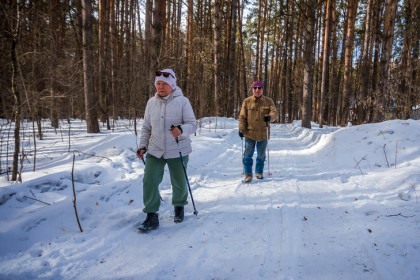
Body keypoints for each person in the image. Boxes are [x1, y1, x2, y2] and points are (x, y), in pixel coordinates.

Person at [136, 69, 197, 232]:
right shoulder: (151, 102)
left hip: (177, 148)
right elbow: (146, 127)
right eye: (158, 83)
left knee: (179, 181)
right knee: (149, 181)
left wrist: (181, 129)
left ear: (172, 85)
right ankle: (151, 215)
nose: (161, 87)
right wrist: (143, 146)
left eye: (164, 84)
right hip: (155, 148)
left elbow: (192, 124)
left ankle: (179, 206)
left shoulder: (183, 101)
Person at [238, 81, 277, 183]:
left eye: (259, 88)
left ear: (262, 89)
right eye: (255, 88)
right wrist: (241, 129)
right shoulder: (246, 101)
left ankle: (259, 172)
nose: (257, 90)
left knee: (261, 155)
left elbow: (274, 113)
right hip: (249, 133)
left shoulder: (268, 101)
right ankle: (248, 174)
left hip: (263, 133)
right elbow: (242, 117)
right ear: (252, 89)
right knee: (247, 155)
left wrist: (270, 117)